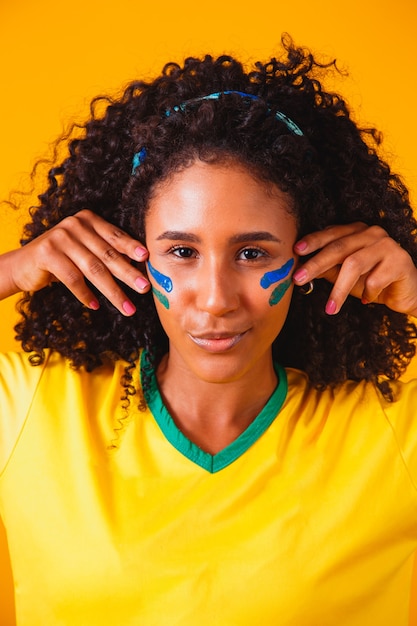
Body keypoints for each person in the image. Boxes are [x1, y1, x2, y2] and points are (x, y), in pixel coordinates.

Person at [0, 34, 417, 625]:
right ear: (131, 248)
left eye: (251, 253)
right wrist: (10, 270)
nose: (216, 299)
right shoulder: (33, 409)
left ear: (309, 255)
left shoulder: (389, 421)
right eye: (181, 253)